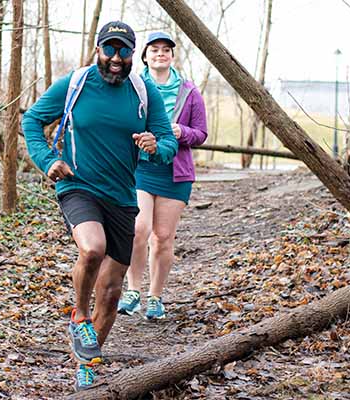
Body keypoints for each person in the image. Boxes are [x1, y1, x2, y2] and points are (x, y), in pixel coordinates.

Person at [22, 21, 178, 391]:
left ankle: (87, 363)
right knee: (93, 248)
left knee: (109, 294)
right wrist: (47, 160)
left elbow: (168, 142)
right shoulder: (74, 84)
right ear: (97, 50)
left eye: (124, 51)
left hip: (122, 197)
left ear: (131, 54)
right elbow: (32, 119)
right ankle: (79, 316)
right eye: (109, 49)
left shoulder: (144, 92)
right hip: (78, 186)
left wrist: (156, 147)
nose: (116, 59)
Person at [117, 32, 208, 320]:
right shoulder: (132, 87)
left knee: (164, 237)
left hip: (175, 172)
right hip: (139, 168)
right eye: (154, 50)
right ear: (145, 56)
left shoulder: (189, 92)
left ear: (172, 56)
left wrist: (182, 133)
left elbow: (202, 133)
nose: (160, 54)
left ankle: (155, 298)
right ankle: (132, 290)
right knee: (138, 229)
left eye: (166, 50)